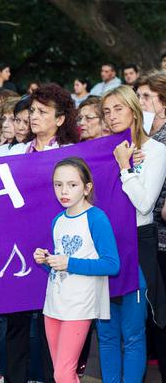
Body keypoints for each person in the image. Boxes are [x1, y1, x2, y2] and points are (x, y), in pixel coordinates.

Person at [5, 84, 79, 383]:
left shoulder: (70, 154)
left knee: (54, 323)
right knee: (17, 321)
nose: (33, 117)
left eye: (42, 112)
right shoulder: (13, 152)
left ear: (60, 119)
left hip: (57, 248)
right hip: (18, 247)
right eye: (32, 110)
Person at [97, 85, 166, 383]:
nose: (112, 117)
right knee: (107, 333)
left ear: (134, 110)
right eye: (107, 111)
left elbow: (145, 203)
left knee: (133, 332)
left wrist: (125, 168)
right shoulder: (101, 150)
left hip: (138, 245)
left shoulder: (157, 150)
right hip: (105, 247)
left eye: (118, 109)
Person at [34, 157, 120, 383]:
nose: (64, 190)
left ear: (86, 188)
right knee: (61, 373)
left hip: (80, 305)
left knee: (63, 373)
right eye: (58, 184)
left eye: (72, 185)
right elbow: (60, 263)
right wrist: (47, 260)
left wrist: (69, 262)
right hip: (53, 303)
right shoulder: (57, 221)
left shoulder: (97, 218)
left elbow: (112, 265)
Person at [133, 71, 166, 380]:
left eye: (146, 97)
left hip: (161, 234)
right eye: (138, 96)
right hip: (149, 237)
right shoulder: (141, 138)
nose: (140, 102)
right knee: (154, 314)